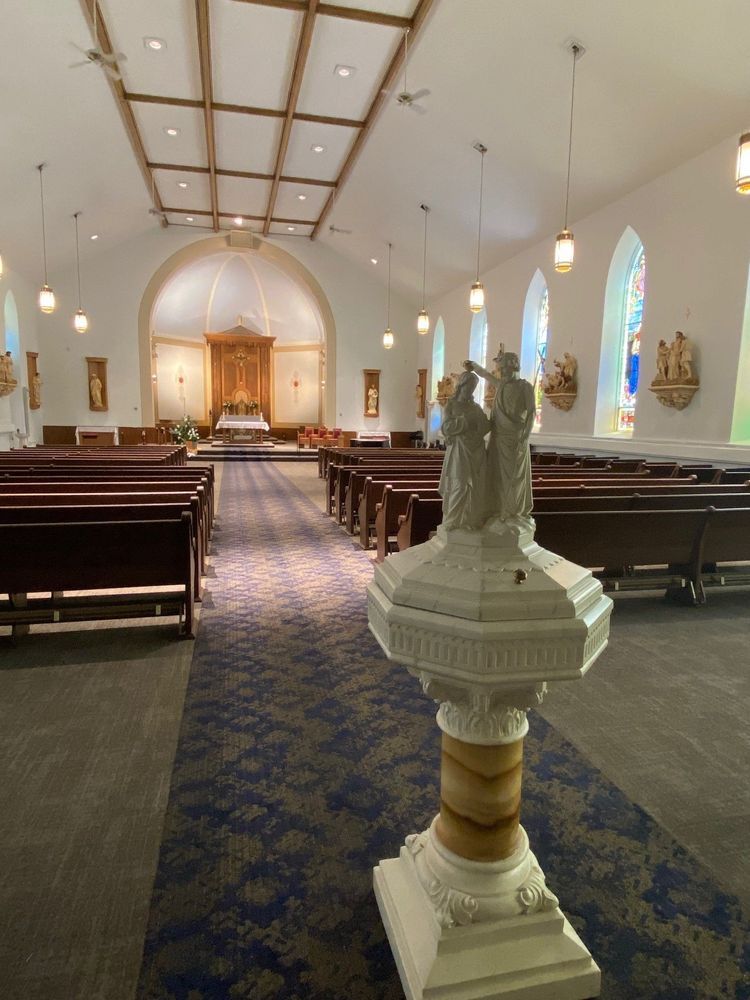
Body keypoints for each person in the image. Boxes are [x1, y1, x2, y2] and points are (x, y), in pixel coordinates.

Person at [465, 350, 536, 525]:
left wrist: (525, 436)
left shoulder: (524, 386)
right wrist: (473, 366)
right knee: (496, 473)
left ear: (514, 367)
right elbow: (486, 375)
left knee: (513, 475)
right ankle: (497, 509)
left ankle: (511, 511)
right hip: (498, 437)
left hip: (515, 437)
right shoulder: (502, 384)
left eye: (505, 368)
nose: (502, 372)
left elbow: (531, 412)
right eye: (501, 369)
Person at [438, 370, 491, 530]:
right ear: (461, 385)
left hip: (476, 450)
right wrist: (464, 422)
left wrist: (481, 426)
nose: (471, 390)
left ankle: (469, 521)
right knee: (459, 484)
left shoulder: (475, 407)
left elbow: (486, 425)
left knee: (475, 487)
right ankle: (452, 520)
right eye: (469, 386)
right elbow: (446, 428)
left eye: (474, 387)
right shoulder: (452, 405)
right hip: (460, 450)